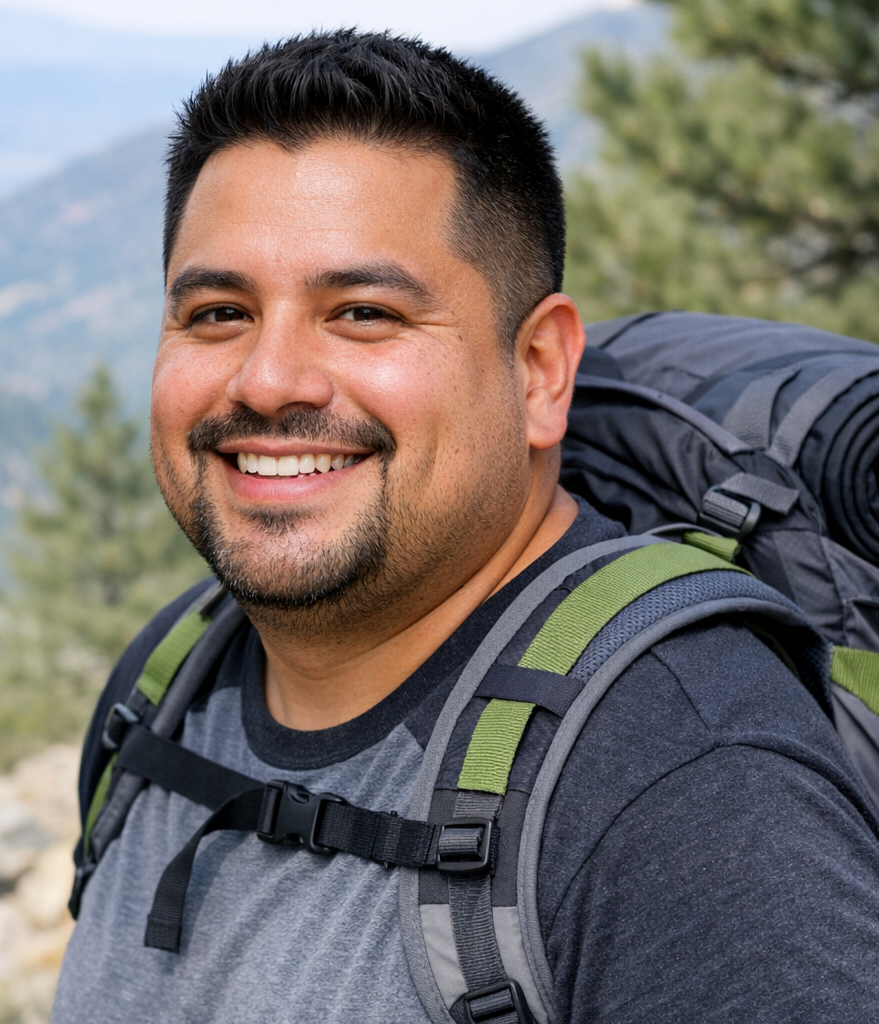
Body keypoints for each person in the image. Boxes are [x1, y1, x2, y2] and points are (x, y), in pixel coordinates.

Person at [51, 30, 879, 1023]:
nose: (266, 379)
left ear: (538, 371)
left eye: (362, 313)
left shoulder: (688, 789)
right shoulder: (170, 683)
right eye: (218, 313)